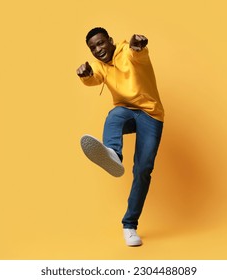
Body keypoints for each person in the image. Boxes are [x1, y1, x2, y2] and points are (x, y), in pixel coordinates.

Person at [76, 27, 164, 246]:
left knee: (143, 169)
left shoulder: (127, 52)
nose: (98, 50)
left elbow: (137, 55)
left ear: (110, 41)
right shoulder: (100, 66)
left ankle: (130, 226)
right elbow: (94, 76)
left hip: (150, 113)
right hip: (126, 112)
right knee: (115, 114)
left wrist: (138, 47)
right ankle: (113, 153)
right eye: (93, 47)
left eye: (101, 43)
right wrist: (85, 74)